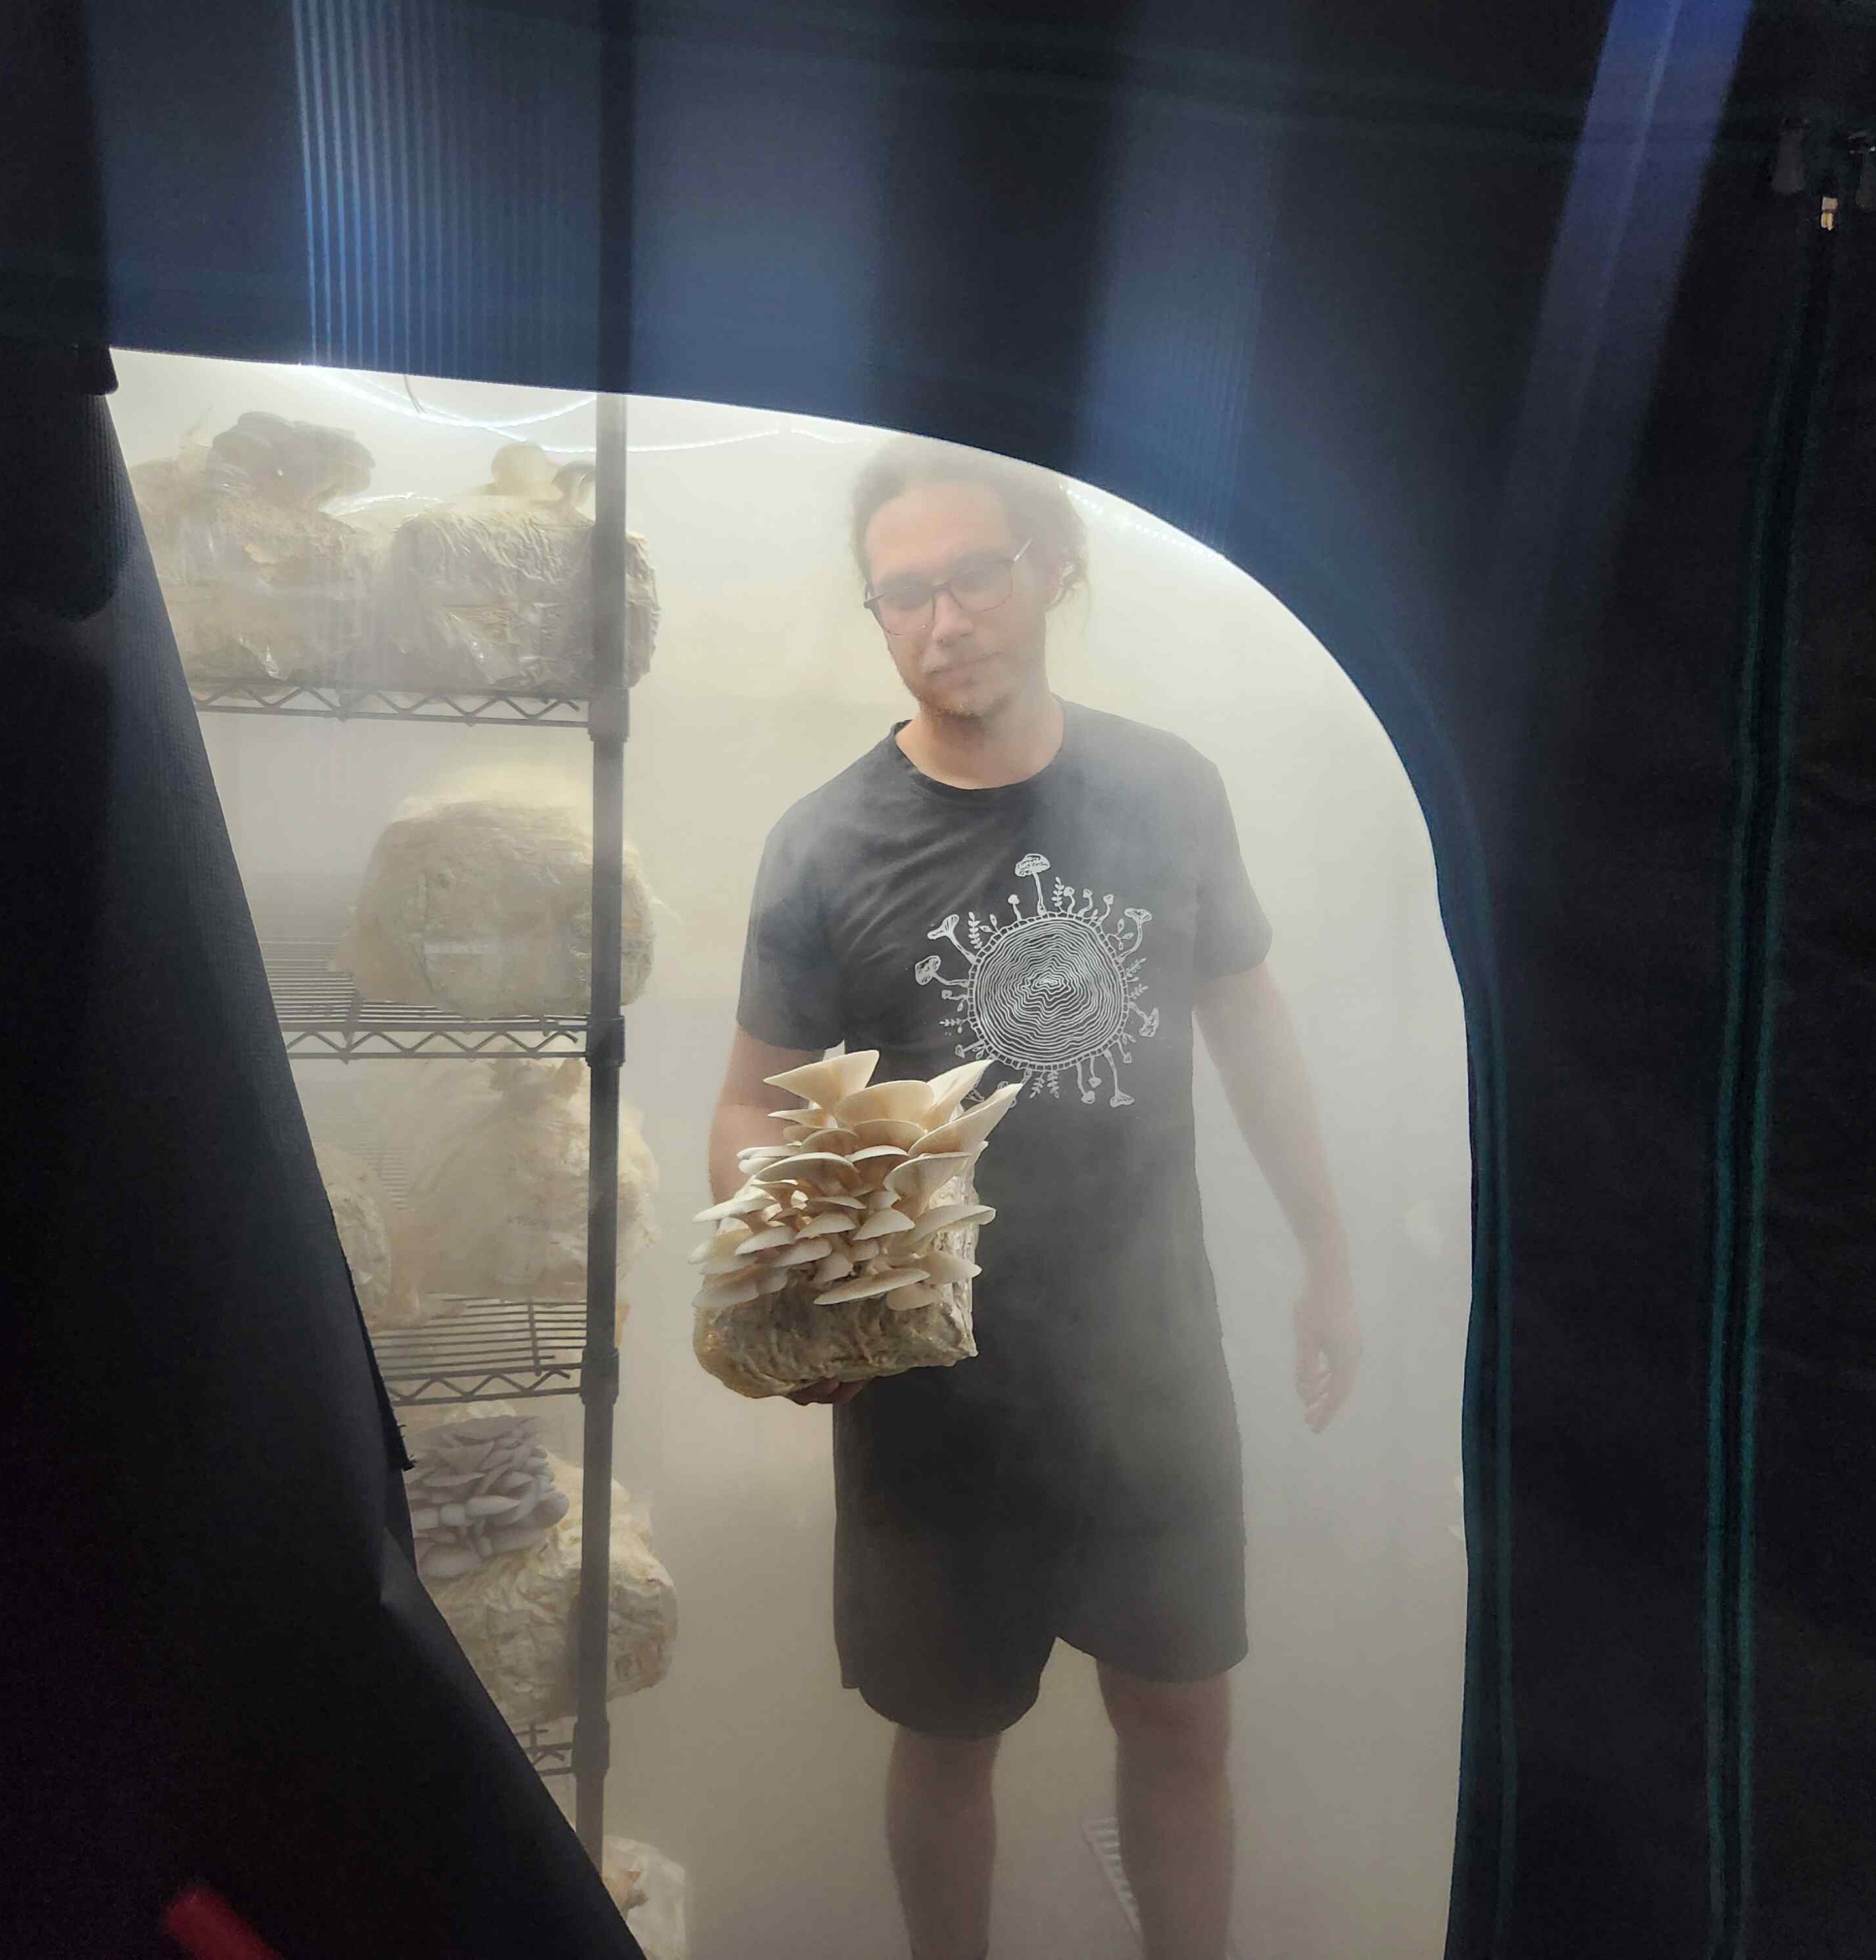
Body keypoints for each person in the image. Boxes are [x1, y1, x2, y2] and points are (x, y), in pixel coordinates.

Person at [708, 436, 1362, 1960]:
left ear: (1049, 570)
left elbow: (1248, 1024)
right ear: (877, 615)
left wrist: (1326, 1253)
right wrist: (798, 1251)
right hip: (930, 1395)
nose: (947, 619)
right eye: (904, 592)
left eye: (975, 573)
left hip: (1149, 1364)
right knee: (945, 1740)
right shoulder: (821, 844)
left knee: (1181, 1720)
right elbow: (747, 1099)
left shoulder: (1165, 788)